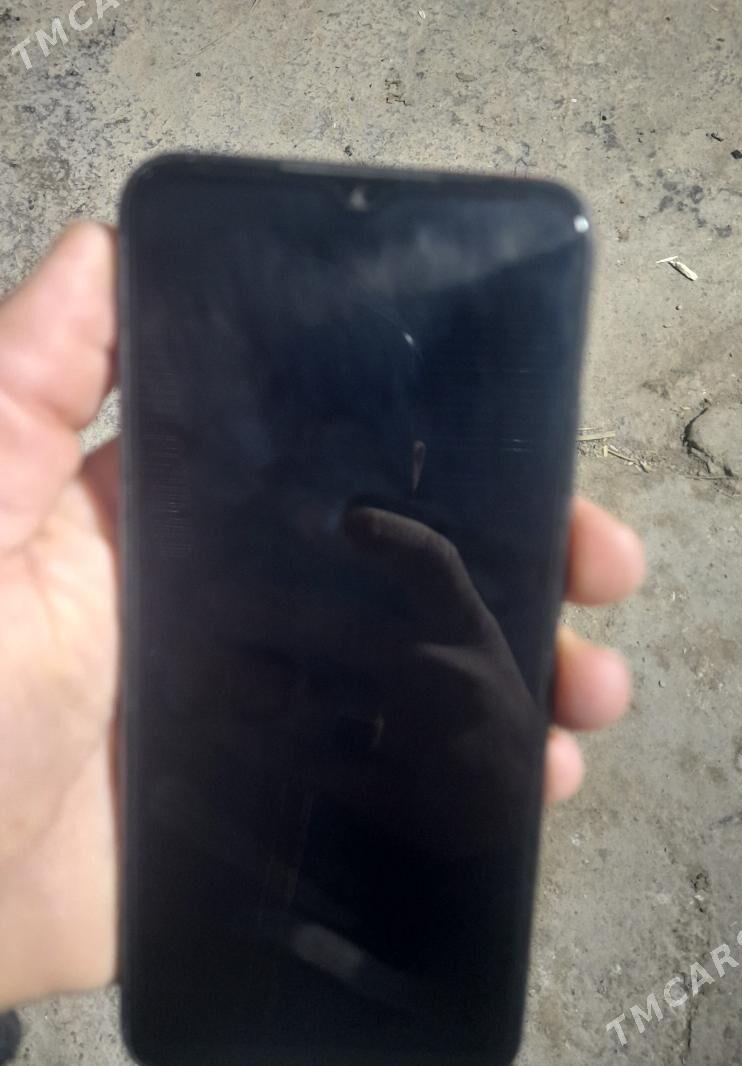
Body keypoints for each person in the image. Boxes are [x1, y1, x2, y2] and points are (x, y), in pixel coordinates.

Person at [0, 222, 645, 1016]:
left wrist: (475, 858)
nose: (312, 513)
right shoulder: (139, 612)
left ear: (412, 470)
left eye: (347, 453)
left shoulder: (436, 630)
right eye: (273, 450)